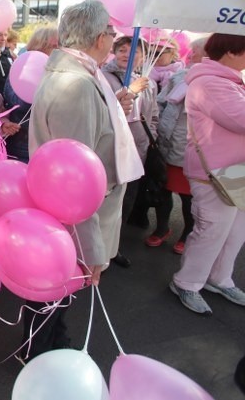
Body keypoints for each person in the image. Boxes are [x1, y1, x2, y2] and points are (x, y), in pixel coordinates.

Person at [26, 0, 142, 361]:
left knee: (57, 290)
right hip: (73, 216)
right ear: (96, 38)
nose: (112, 38)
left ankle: (47, 344)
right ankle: (41, 354)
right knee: (55, 289)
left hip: (67, 213)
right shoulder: (76, 84)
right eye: (110, 31)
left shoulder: (78, 75)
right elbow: (75, 181)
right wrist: (91, 246)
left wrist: (110, 112)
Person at [170, 32, 245, 316]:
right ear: (231, 51)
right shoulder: (211, 82)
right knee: (212, 231)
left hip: (233, 171)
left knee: (235, 231)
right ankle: (187, 282)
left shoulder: (228, 80)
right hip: (213, 172)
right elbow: (240, 118)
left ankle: (219, 278)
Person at [101, 35, 159, 268]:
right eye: (122, 50)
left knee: (128, 200)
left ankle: (114, 247)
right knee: (107, 202)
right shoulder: (104, 77)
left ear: (142, 56)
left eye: (133, 50)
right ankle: (99, 251)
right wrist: (131, 92)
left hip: (138, 149)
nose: (127, 54)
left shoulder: (148, 82)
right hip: (113, 149)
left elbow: (152, 114)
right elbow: (105, 112)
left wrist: (151, 137)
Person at [149, 37, 207, 254]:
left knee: (188, 196)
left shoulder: (215, 81)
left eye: (196, 51)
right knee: (163, 190)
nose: (190, 54)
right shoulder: (179, 76)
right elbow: (161, 102)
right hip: (168, 143)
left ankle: (186, 234)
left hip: (191, 148)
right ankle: (162, 228)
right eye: (191, 51)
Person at [3, 26, 58, 162]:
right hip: (22, 147)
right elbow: (14, 101)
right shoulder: (21, 68)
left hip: (49, 146)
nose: (58, 52)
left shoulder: (57, 72)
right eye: (54, 47)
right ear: (40, 46)